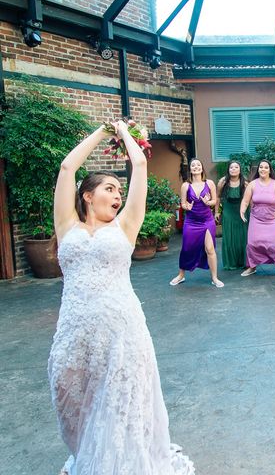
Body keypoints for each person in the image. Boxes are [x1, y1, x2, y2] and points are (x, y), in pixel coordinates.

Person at [49, 121, 194, 474]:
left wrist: (125, 132)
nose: (117, 196)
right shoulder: (67, 224)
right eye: (110, 188)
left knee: (121, 407)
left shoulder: (125, 226)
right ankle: (90, 459)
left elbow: (140, 165)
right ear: (87, 195)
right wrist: (102, 132)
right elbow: (67, 167)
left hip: (122, 333)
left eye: (120, 190)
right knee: (71, 402)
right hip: (74, 332)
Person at [170, 158, 224, 287]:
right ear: (190, 169)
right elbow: (183, 204)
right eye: (193, 165)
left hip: (206, 221)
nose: (196, 167)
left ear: (202, 168)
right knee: (187, 249)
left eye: (198, 165)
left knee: (210, 249)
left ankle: (215, 278)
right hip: (191, 222)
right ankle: (181, 275)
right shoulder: (185, 185)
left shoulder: (209, 183)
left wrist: (208, 203)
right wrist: (186, 206)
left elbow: (214, 201)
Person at [240, 159, 275, 277]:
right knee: (252, 244)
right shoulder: (252, 184)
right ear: (258, 169)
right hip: (256, 219)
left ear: (270, 170)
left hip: (273, 219)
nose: (263, 169)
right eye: (261, 167)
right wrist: (242, 211)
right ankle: (252, 267)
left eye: (266, 167)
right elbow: (245, 201)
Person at [215, 160, 249, 270]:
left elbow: (249, 199)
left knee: (243, 238)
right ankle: (231, 263)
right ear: (228, 170)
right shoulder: (223, 182)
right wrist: (217, 212)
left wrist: (253, 213)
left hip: (242, 213)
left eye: (236, 167)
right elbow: (218, 197)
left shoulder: (245, 183)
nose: (233, 169)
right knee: (229, 238)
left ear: (240, 170)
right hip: (228, 212)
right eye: (231, 167)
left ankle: (244, 263)